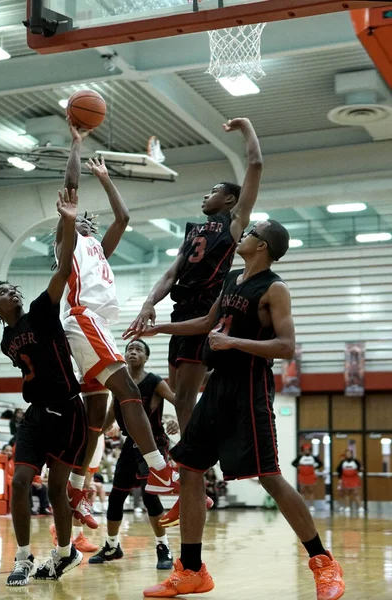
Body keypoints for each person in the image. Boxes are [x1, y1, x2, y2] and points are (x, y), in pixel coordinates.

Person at [139, 220, 345, 600]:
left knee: (268, 476)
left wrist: (233, 342)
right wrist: (158, 329)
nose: (243, 235)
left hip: (250, 388)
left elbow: (286, 347)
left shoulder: (275, 288)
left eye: (250, 232)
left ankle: (324, 563)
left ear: (262, 246)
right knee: (190, 469)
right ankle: (192, 571)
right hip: (217, 386)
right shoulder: (233, 277)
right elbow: (205, 323)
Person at [55, 126, 179, 528]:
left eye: (89, 220)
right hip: (83, 317)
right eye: (81, 218)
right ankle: (161, 469)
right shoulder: (68, 242)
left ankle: (77, 489)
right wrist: (76, 143)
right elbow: (71, 188)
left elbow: (123, 217)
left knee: (95, 416)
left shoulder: (98, 250)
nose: (87, 219)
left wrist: (106, 179)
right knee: (128, 391)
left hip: (101, 326)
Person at [0, 187, 87, 586]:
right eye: (5, 292)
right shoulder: (7, 341)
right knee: (20, 481)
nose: (14, 292)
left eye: (13, 288)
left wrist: (67, 221)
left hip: (69, 410)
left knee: (57, 491)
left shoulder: (41, 311)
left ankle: (63, 553)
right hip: (37, 414)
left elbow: (62, 270)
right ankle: (23, 557)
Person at [126, 118, 263, 436]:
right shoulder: (194, 231)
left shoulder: (234, 221)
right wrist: (149, 303)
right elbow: (171, 273)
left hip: (205, 309)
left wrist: (246, 129)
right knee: (181, 400)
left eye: (212, 192)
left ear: (229, 199)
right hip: (180, 311)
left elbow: (255, 164)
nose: (205, 196)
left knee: (185, 399)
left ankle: (190, 469)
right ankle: (197, 451)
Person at [88, 339, 176, 570]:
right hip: (130, 445)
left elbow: (178, 400)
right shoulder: (119, 382)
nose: (133, 352)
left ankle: (163, 546)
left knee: (150, 496)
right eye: (130, 349)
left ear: (146, 357)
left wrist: (176, 420)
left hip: (154, 443)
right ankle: (112, 546)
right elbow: (111, 413)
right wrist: (96, 434)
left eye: (138, 349)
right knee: (116, 497)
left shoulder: (155, 382)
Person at [292, 444, 323, 514]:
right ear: (303, 451)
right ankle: (303, 506)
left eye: (308, 450)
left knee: (311, 491)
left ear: (310, 451)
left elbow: (321, 464)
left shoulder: (313, 457)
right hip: (302, 476)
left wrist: (315, 467)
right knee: (302, 491)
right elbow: (293, 463)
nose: (307, 451)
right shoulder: (300, 457)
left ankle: (312, 506)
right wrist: (298, 467)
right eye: (305, 450)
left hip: (311, 476)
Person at [337, 450, 364, 516]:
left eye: (349, 454)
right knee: (346, 493)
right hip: (345, 479)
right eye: (347, 454)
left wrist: (361, 471)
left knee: (356, 493)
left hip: (354, 479)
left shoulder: (355, 461)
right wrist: (340, 479)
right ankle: (347, 507)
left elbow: (360, 468)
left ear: (351, 454)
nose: (348, 455)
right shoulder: (343, 462)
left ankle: (360, 507)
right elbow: (338, 470)